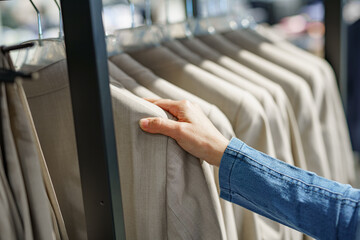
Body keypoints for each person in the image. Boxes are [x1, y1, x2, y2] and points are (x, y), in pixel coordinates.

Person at [139, 98, 360, 240]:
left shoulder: (251, 108)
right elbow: (346, 217)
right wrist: (224, 152)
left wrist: (224, 153)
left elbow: (346, 218)